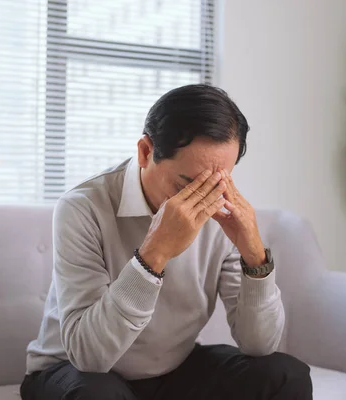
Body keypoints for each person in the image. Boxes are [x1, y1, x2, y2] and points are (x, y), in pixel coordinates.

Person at [21, 84, 313, 400]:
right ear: (146, 152)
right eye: (186, 184)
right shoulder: (82, 207)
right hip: (76, 371)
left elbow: (260, 345)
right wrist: (154, 254)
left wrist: (253, 253)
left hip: (171, 372)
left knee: (285, 375)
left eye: (216, 183)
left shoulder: (221, 211)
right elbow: (89, 356)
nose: (203, 199)